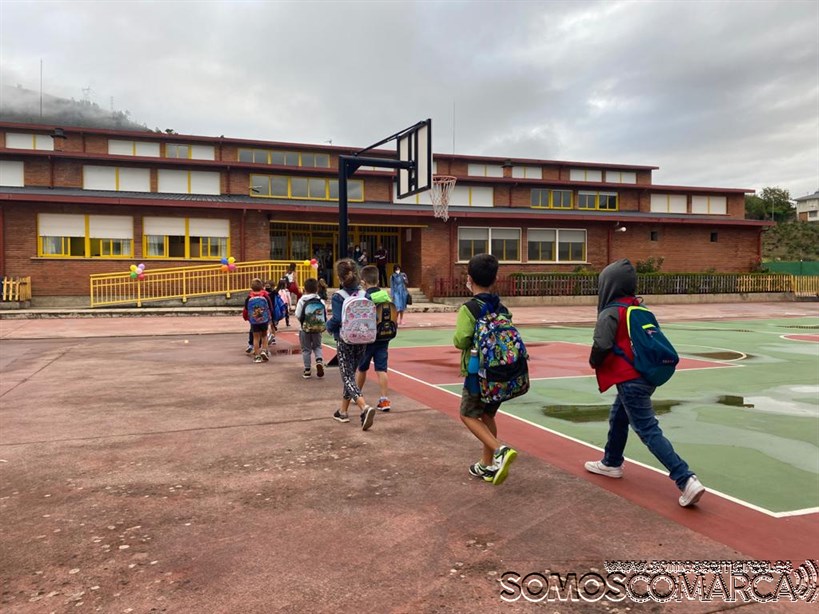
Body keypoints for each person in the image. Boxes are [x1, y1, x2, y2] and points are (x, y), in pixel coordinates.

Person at [585, 258, 706, 508]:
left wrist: (594, 361)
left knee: (648, 429)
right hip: (645, 376)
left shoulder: (610, 312)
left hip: (629, 379)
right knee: (618, 416)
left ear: (608, 285)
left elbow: (602, 345)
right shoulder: (639, 308)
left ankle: (685, 478)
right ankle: (611, 462)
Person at [453, 253, 517, 486]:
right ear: (495, 278)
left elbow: (461, 340)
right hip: (500, 373)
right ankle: (486, 464)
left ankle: (500, 451)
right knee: (487, 414)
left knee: (467, 414)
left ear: (469, 278)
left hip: (477, 373)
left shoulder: (469, 309)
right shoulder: (502, 307)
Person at [325, 258, 376, 430]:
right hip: (362, 339)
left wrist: (328, 326)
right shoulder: (365, 294)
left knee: (347, 377)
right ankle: (342, 411)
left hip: (345, 339)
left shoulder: (338, 296)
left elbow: (338, 319)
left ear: (339, 278)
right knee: (350, 376)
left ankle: (364, 407)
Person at [356, 265, 393, 412]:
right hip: (384, 337)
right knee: (381, 369)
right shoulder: (385, 296)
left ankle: (357, 394)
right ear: (378, 280)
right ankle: (384, 400)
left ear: (363, 282)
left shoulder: (366, 297)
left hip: (368, 338)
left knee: (362, 368)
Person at [294, 278, 325, 379]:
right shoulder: (320, 300)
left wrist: (303, 322)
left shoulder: (302, 300)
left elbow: (298, 314)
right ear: (317, 289)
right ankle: (319, 360)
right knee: (317, 346)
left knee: (306, 349)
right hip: (317, 327)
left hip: (304, 329)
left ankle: (307, 370)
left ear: (305, 289)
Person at [242, 278, 274, 363]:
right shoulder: (265, 296)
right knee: (264, 336)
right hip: (264, 319)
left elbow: (246, 308)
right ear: (262, 287)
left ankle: (257, 356)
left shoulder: (249, 297)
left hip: (254, 320)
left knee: (256, 338)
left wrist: (248, 317)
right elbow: (270, 307)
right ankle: (264, 351)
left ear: (251, 288)